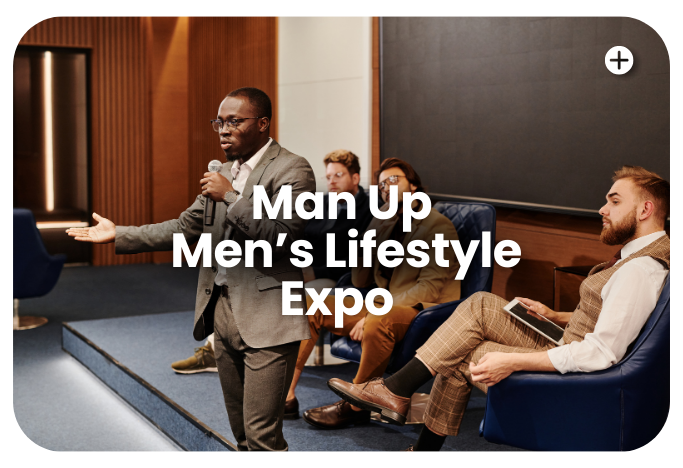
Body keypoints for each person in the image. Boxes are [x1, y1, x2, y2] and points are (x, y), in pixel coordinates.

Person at [328, 165, 670, 452]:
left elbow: (601, 353)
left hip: (582, 372)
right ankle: (398, 395)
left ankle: (398, 396)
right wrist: (555, 315)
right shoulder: (636, 259)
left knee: (461, 349)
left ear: (644, 210)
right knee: (479, 307)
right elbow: (615, 316)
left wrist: (513, 360)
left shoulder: (640, 270)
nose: (602, 209)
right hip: (567, 339)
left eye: (614, 201)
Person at [67, 87, 316, 452]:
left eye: (235, 121)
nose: (223, 130)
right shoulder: (224, 172)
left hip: (269, 316)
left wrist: (229, 196)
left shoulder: (292, 168)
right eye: (219, 122)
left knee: (263, 437)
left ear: (263, 124)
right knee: (242, 434)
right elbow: (183, 227)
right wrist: (119, 233)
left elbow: (282, 236)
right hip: (222, 310)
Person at [170, 149, 374, 379]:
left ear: (355, 178)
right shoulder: (323, 203)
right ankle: (217, 348)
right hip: (303, 267)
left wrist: (314, 272)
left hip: (336, 277)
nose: (332, 181)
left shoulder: (367, 210)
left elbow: (357, 258)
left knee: (285, 295)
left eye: (338, 175)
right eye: (328, 177)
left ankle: (255, 357)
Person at [291, 158, 463, 429]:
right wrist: (371, 234)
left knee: (376, 320)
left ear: (414, 186)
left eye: (394, 180)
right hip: (388, 305)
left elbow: (428, 288)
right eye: (382, 185)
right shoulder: (388, 223)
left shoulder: (437, 226)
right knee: (311, 304)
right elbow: (359, 280)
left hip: (424, 311)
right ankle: (286, 395)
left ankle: (356, 405)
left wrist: (375, 310)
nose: (386, 188)